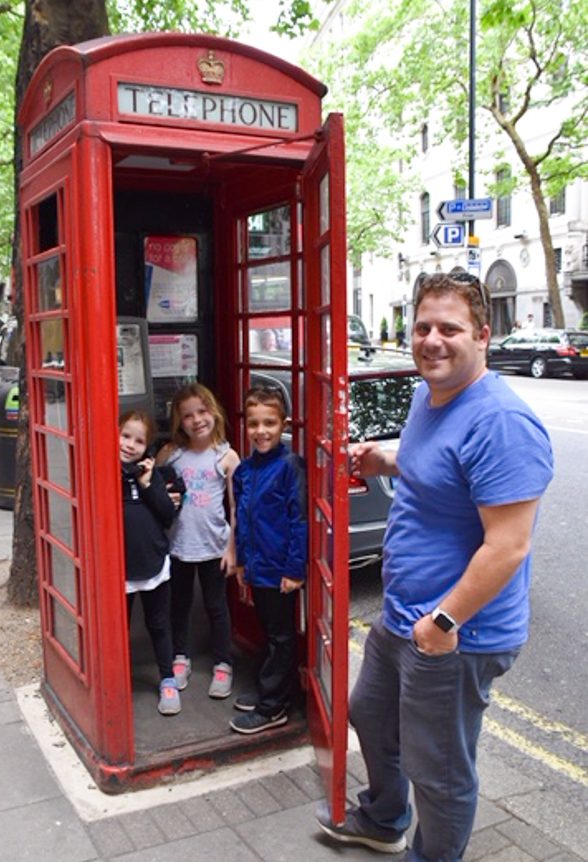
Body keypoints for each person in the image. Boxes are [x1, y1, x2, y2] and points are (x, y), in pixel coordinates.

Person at [316, 272, 553, 860]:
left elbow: (508, 546)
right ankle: (384, 818)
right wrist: (383, 458)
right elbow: (438, 466)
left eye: (449, 328)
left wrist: (441, 624)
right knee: (368, 713)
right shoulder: (430, 395)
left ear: (482, 334)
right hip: (402, 615)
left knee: (440, 770)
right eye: (423, 327)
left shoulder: (502, 423)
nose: (431, 340)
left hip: (454, 634)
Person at [230, 386, 307, 734]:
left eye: (270, 423)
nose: (261, 431)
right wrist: (242, 562)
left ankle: (273, 706)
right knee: (270, 632)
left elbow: (300, 520)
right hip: (257, 569)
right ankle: (272, 689)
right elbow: (242, 520)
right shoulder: (244, 471)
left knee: (280, 637)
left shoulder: (290, 466)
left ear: (284, 425)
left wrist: (295, 569)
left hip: (280, 570)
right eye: (254, 423)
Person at [156, 383, 240, 699]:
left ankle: (223, 662)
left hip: (214, 545)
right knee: (178, 605)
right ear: (179, 422)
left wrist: (232, 548)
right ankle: (180, 656)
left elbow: (236, 508)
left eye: (202, 412)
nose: (197, 420)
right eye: (188, 415)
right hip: (177, 545)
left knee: (216, 606)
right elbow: (154, 494)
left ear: (213, 413)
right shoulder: (171, 454)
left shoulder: (226, 456)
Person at [119, 410, 181, 716]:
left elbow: (168, 516)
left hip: (154, 562)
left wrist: (147, 482)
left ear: (148, 448)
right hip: (118, 566)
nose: (130, 445)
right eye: (125, 436)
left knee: (159, 623)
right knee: (120, 627)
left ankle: (167, 677)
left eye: (139, 441)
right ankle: (117, 682)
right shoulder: (104, 473)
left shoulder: (151, 476)